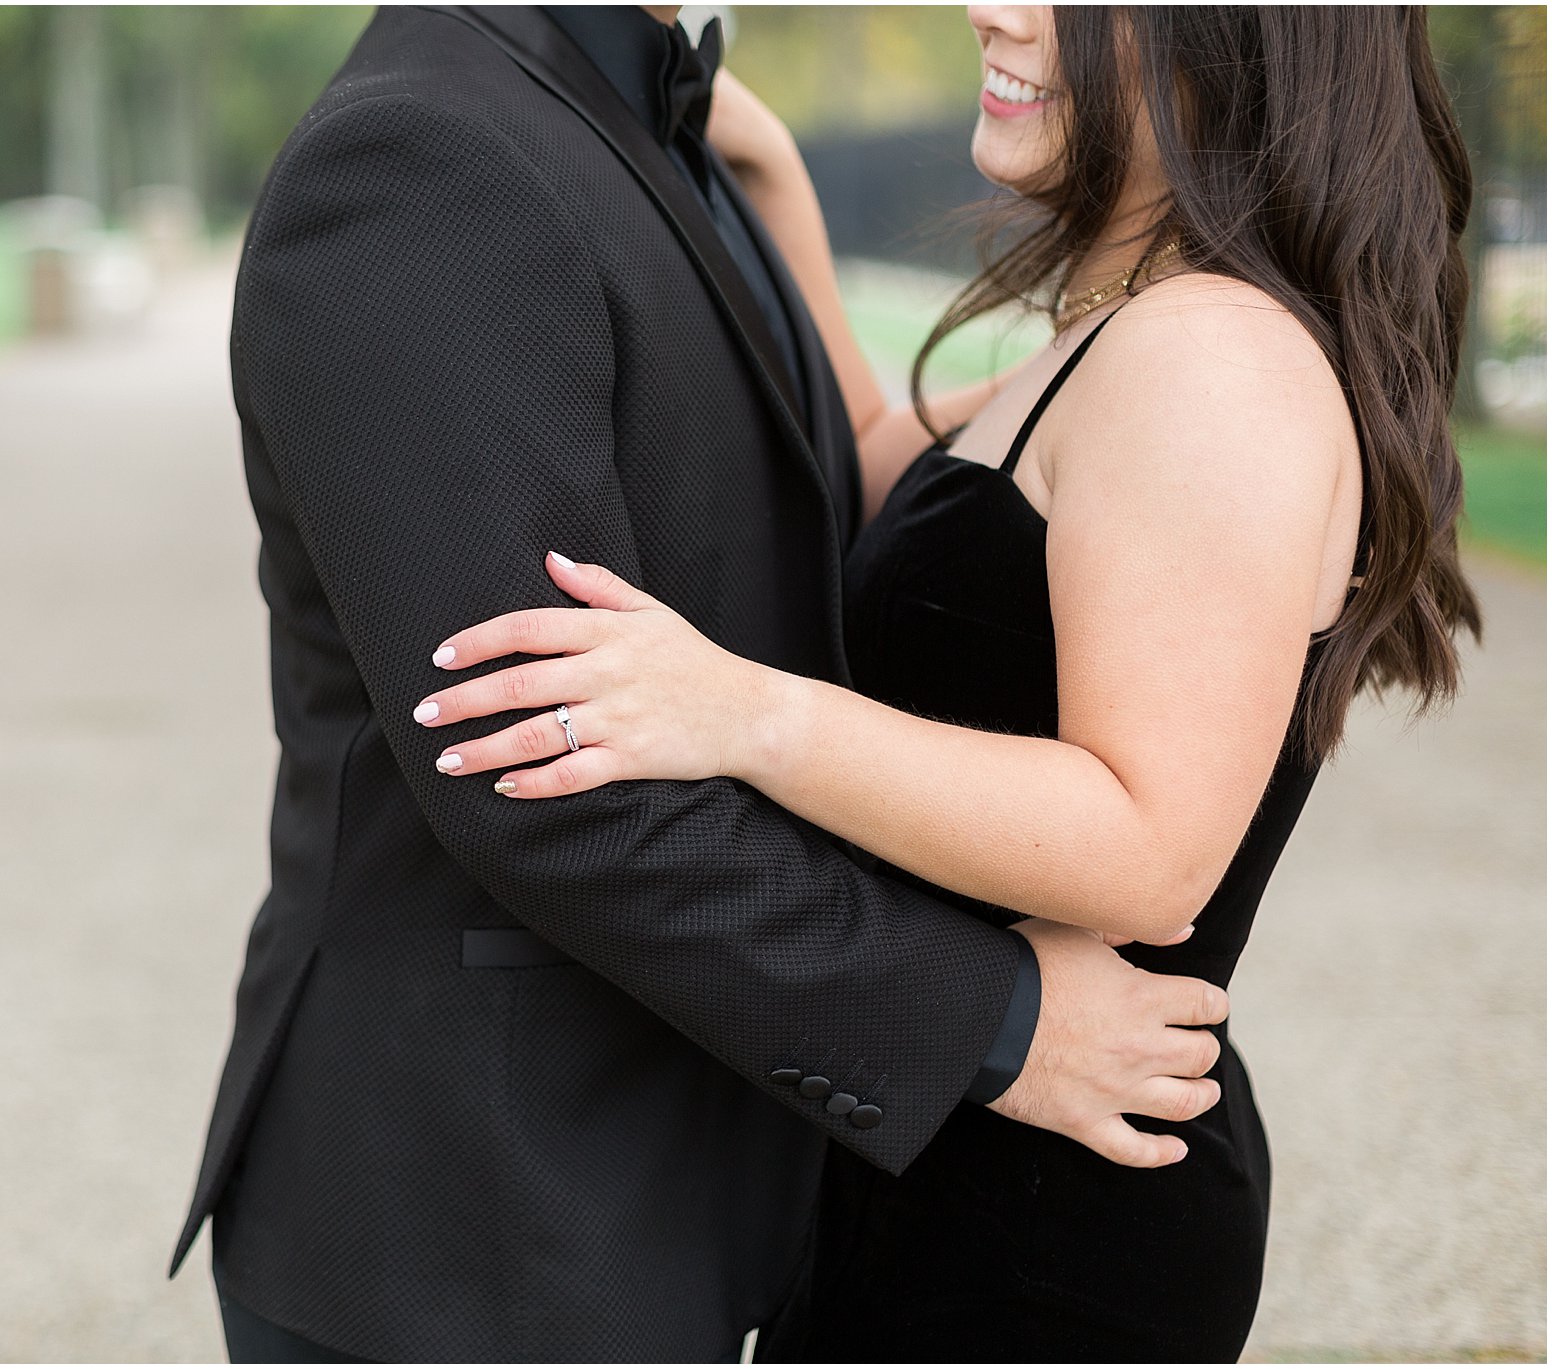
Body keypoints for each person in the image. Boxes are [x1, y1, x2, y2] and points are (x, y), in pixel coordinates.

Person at [167, 4, 1242, 1362]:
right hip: (475, 1231)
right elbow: (542, 770)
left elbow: (827, 499)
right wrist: (998, 1019)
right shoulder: (423, 156)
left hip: (651, 1189)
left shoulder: (655, 126)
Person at [423, 4, 1482, 1359]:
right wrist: (775, 178)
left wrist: (744, 712)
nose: (993, 7)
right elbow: (879, 471)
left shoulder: (1215, 364)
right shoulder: (1131, 330)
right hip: (956, 1158)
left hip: (1048, 1226)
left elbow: (1154, 845)